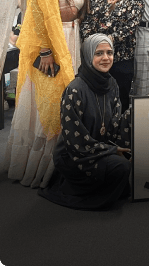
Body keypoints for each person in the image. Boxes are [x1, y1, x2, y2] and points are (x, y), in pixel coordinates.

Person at [2, 0, 91, 188]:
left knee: (68, 97)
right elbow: (38, 15)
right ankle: (39, 167)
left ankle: (63, 164)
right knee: (48, 100)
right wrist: (44, 51)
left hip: (72, 41)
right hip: (51, 45)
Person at [39, 34, 132, 209]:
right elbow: (76, 143)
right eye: (99, 54)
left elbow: (114, 126)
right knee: (121, 167)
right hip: (76, 155)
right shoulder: (75, 90)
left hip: (100, 145)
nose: (106, 58)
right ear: (88, 56)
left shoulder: (111, 84)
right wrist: (111, 150)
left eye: (109, 53)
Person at [80, 0, 144, 111]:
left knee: (120, 101)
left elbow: (130, 27)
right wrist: (95, 43)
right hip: (96, 59)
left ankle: (119, 134)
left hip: (122, 59)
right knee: (96, 101)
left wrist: (105, 41)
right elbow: (86, 24)